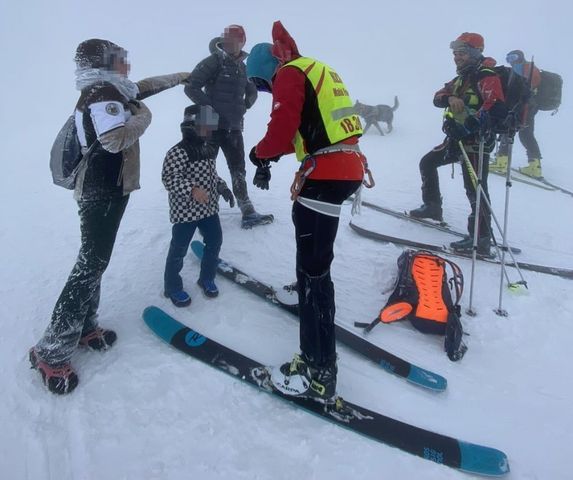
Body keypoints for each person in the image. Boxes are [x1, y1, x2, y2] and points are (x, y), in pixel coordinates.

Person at [30, 39, 190, 395]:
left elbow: (142, 88)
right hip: (100, 192)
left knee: (96, 262)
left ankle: (85, 327)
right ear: (105, 63)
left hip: (109, 191)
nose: (127, 66)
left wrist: (182, 76)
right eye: (121, 60)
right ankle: (51, 351)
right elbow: (116, 140)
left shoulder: (109, 88)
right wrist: (143, 117)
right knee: (90, 263)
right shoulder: (103, 93)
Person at [246, 21, 371, 402]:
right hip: (346, 167)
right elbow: (313, 127)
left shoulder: (288, 72)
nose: (265, 90)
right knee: (313, 265)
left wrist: (259, 155)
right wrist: (273, 155)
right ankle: (308, 307)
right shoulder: (317, 68)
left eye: (260, 84)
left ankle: (319, 372)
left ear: (267, 69)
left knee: (315, 274)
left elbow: (282, 127)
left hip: (325, 176)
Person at [409, 33, 506, 255]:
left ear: (473, 53)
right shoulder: (462, 78)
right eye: (454, 53)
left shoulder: (486, 76)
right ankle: (433, 207)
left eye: (461, 53)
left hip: (475, 143)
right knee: (428, 162)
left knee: (475, 189)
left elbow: (496, 107)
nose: (456, 57)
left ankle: (480, 239)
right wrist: (449, 98)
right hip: (457, 140)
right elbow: (437, 96)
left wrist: (469, 125)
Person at [185, 25, 273, 229]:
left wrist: (245, 105)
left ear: (243, 42)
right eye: (229, 39)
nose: (232, 43)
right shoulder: (214, 61)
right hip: (208, 124)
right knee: (203, 167)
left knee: (238, 168)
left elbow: (252, 90)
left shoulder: (244, 67)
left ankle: (248, 211)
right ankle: (202, 211)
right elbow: (191, 86)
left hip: (233, 126)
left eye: (237, 39)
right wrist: (210, 107)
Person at [162, 105, 234, 307]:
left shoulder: (207, 149)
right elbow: (169, 178)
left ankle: (206, 277)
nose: (209, 131)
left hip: (208, 209)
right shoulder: (177, 152)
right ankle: (172, 286)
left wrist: (222, 188)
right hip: (185, 212)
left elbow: (212, 175)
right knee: (179, 248)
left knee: (215, 240)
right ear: (192, 126)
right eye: (205, 127)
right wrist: (192, 189)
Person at [491, 50, 543, 178]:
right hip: (525, 106)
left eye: (513, 57)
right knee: (525, 134)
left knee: (508, 129)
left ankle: (501, 162)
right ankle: (534, 165)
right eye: (508, 58)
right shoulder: (517, 69)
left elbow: (532, 83)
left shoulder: (527, 68)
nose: (511, 60)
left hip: (523, 107)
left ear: (520, 57)